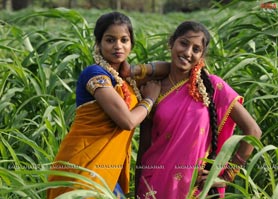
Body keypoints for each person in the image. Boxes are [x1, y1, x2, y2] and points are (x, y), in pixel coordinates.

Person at [47, 11, 169, 198]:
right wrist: (149, 100)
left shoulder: (126, 79)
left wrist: (136, 69)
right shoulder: (95, 74)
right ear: (98, 44)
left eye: (124, 40)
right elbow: (127, 122)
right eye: (110, 40)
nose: (118, 46)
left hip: (106, 171)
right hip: (81, 166)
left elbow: (169, 68)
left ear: (131, 44)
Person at [135, 21, 262, 199]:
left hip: (194, 190)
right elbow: (144, 147)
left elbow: (253, 131)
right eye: (184, 43)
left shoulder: (213, 88)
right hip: (153, 186)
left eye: (196, 49)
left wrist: (226, 177)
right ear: (171, 42)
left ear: (202, 55)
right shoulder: (153, 89)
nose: (187, 52)